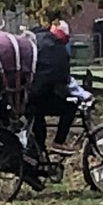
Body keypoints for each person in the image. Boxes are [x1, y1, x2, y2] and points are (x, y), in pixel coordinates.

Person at [29, 19, 77, 155]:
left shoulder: (35, 39)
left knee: (36, 115)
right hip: (41, 94)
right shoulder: (57, 49)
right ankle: (59, 142)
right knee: (70, 107)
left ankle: (39, 152)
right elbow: (62, 77)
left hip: (25, 94)